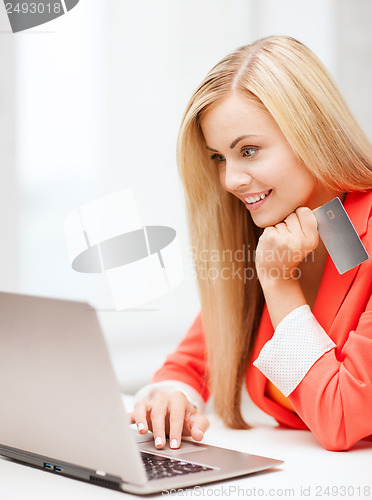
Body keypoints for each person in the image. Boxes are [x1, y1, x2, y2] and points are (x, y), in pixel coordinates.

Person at [130, 35, 372, 452]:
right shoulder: (272, 234)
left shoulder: (280, 256)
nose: (230, 180)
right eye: (219, 157)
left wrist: (279, 285)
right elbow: (188, 365)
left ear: (312, 134)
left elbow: (342, 416)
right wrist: (170, 400)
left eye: (249, 150)